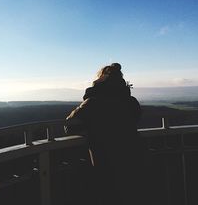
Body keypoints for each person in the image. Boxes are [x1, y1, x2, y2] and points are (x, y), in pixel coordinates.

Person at [65, 63, 152, 205]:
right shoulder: (131, 102)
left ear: (101, 80)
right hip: (135, 158)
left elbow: (69, 126)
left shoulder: (92, 103)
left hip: (106, 163)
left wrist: (91, 93)